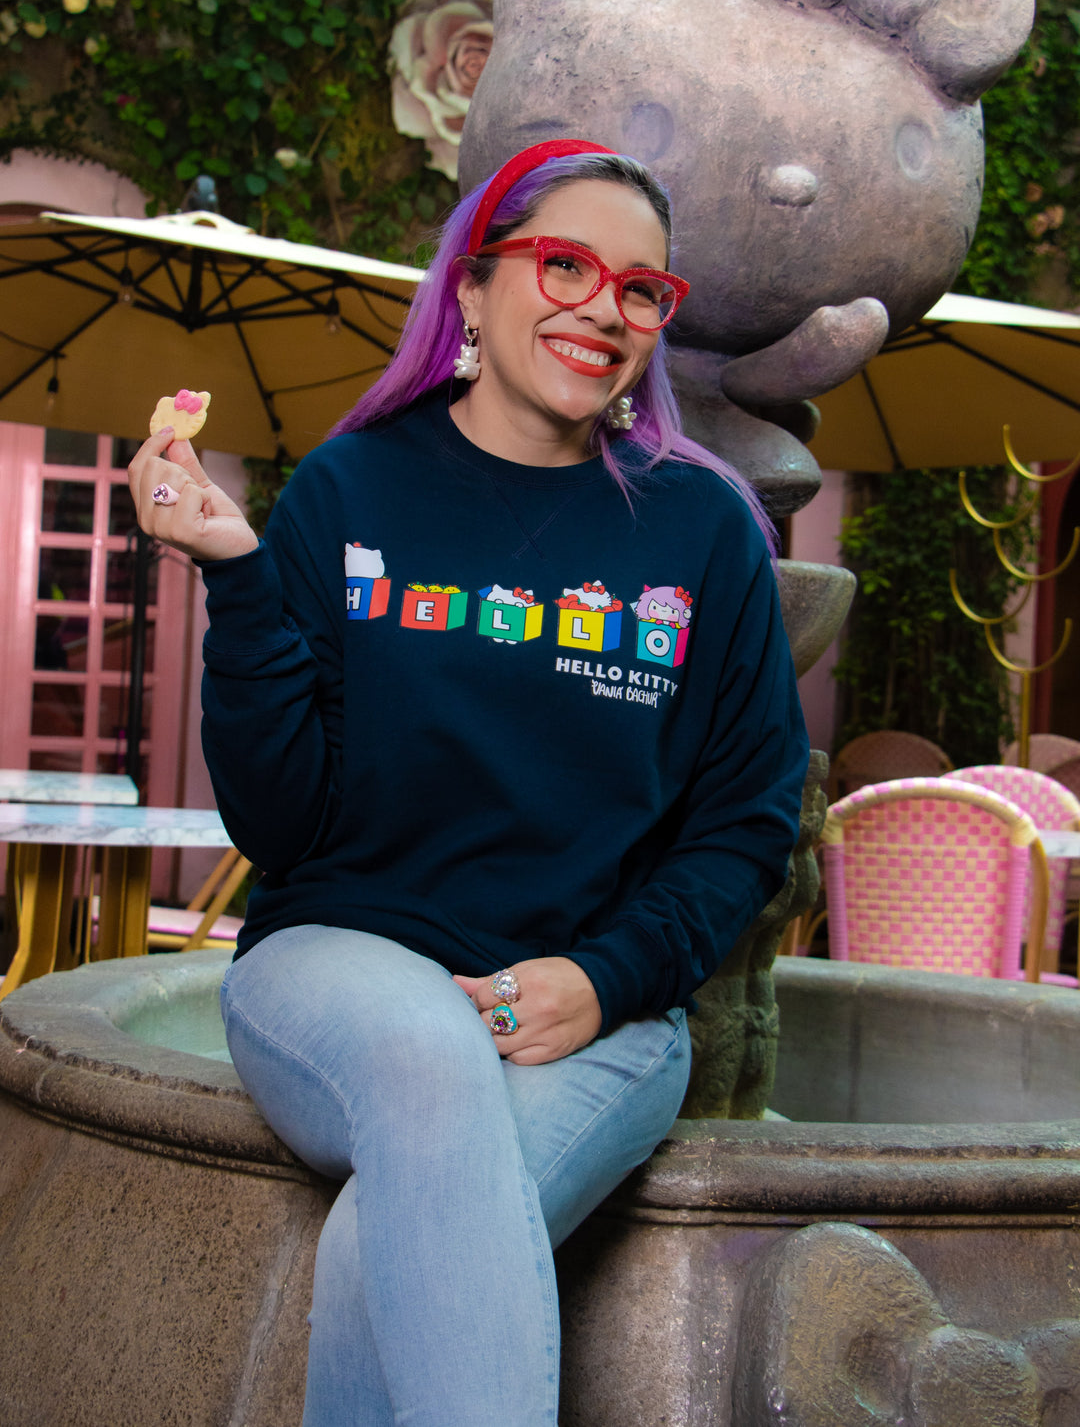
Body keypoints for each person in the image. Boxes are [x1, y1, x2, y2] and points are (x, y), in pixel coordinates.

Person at [128, 137, 809, 1426]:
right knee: (426, 1065)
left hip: (601, 1017)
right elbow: (279, 822)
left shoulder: (704, 529)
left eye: (641, 289)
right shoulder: (351, 487)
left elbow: (745, 821)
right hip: (339, 969)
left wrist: (604, 978)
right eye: (566, 266)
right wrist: (238, 575)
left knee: (378, 1247)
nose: (604, 309)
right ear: (475, 285)